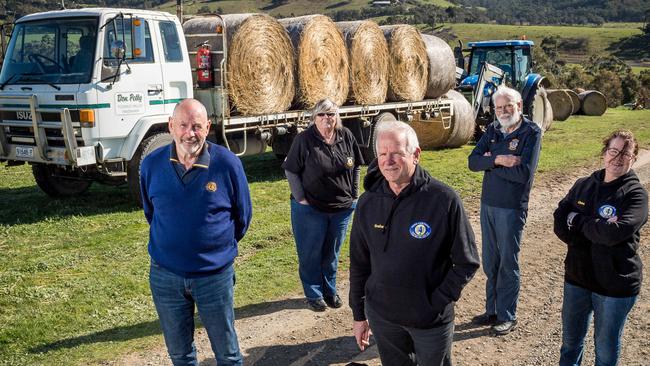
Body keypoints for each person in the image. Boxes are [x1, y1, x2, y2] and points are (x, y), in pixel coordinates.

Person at [349, 120, 479, 365]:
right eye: (382, 154)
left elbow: (466, 262)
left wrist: (434, 302)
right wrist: (359, 315)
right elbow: (359, 263)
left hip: (429, 322)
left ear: (416, 154)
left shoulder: (443, 200)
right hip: (384, 319)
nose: (388, 162)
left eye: (396, 153)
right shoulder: (368, 203)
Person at [140, 99, 252, 366]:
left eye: (197, 127)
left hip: (213, 277)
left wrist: (214, 249)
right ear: (171, 126)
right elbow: (150, 212)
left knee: (227, 353)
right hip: (166, 276)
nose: (190, 133)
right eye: (183, 125)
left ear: (208, 127)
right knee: (180, 354)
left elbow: (242, 217)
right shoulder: (151, 164)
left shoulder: (226, 164)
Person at [554, 129, 648, 366]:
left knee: (605, 352)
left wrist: (578, 221)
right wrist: (589, 231)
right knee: (570, 345)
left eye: (625, 153)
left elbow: (613, 233)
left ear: (633, 158)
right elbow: (559, 218)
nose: (617, 158)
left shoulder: (636, 195)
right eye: (613, 151)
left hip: (614, 286)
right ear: (605, 153)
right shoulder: (584, 184)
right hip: (577, 278)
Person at [467, 85, 542, 335]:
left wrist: (490, 161)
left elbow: (523, 174)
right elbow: (472, 162)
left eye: (508, 106)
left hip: (511, 207)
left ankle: (507, 315)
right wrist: (499, 159)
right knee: (491, 262)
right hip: (488, 204)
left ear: (519, 106)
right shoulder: (493, 129)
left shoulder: (531, 132)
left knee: (508, 263)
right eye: (498, 107)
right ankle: (492, 311)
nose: (503, 111)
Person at [282, 98, 364, 312]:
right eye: (322, 114)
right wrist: (300, 198)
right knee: (310, 253)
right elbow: (291, 170)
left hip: (342, 209)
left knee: (332, 253)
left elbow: (356, 166)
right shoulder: (304, 140)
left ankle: (330, 290)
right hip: (311, 210)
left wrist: (354, 194)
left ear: (337, 116)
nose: (327, 118)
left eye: (331, 114)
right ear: (314, 118)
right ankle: (313, 294)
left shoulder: (346, 135)